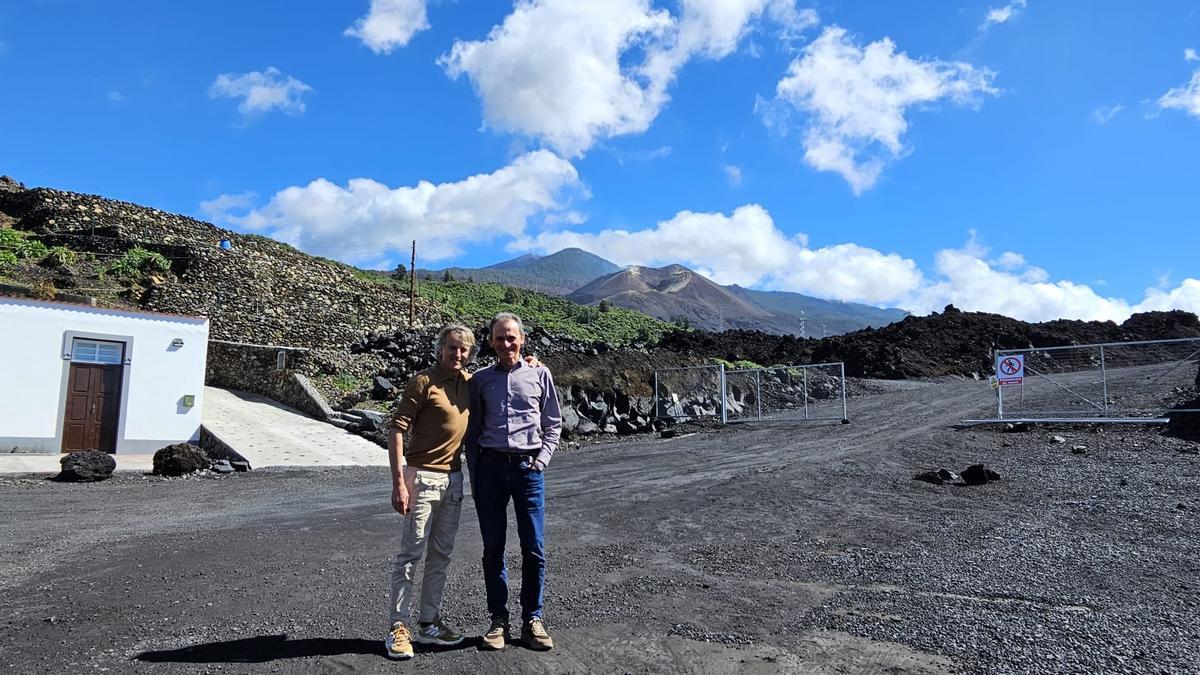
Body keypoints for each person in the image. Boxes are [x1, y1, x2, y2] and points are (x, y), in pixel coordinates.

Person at [466, 312, 563, 651]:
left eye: (512, 337)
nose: (506, 343)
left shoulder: (540, 373)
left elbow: (553, 422)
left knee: (533, 548)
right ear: (490, 342)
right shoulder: (479, 380)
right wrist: (474, 475)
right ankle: (498, 620)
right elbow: (473, 429)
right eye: (499, 338)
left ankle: (532, 619)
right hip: (490, 470)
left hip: (527, 471)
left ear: (522, 340)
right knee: (493, 549)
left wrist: (541, 461)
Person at [384, 324, 475, 660]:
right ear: (441, 348)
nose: (458, 354)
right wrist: (398, 483)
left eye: (464, 349)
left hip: (453, 479)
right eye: (452, 348)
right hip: (421, 477)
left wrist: (531, 360)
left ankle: (429, 622)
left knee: (441, 555)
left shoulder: (468, 382)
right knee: (411, 555)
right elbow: (396, 429)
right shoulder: (423, 381)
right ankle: (398, 627)